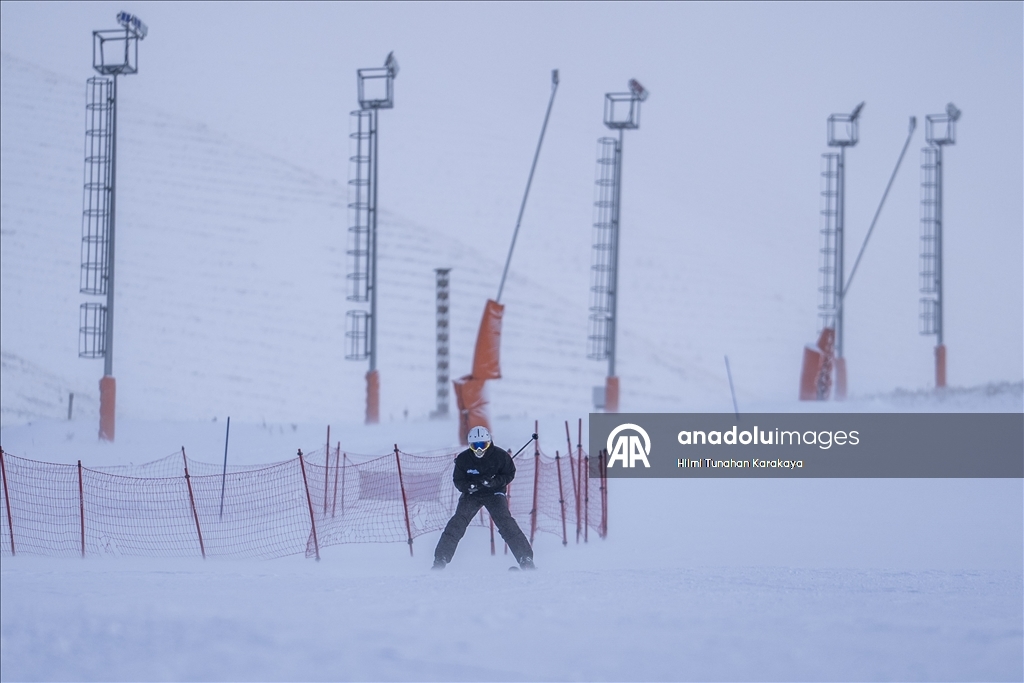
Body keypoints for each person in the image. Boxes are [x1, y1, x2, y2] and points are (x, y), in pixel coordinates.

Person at [433, 426, 535, 570]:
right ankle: (440, 559)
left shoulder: (500, 456)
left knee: (505, 521)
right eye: (475, 446)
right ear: (470, 446)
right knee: (458, 522)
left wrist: (494, 482)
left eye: (483, 445)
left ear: (489, 443)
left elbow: (509, 473)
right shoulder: (463, 459)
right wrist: (469, 486)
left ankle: (525, 558)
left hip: (494, 493)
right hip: (472, 495)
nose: (479, 449)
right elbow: (458, 480)